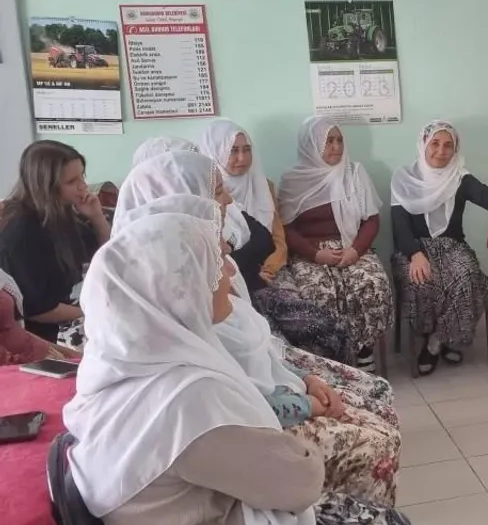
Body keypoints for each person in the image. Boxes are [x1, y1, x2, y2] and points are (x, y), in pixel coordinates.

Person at [62, 213, 447, 525]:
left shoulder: (131, 362)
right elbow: (298, 483)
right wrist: (290, 439)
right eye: (214, 266)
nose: (230, 271)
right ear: (178, 289)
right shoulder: (184, 399)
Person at [115, 194, 400, 506]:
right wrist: (306, 404)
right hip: (269, 439)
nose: (231, 271)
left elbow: (264, 355)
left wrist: (306, 379)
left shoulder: (192, 327)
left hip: (277, 406)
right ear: (182, 281)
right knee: (376, 441)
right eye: (217, 262)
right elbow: (291, 475)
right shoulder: (187, 378)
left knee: (374, 406)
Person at [114, 153, 400, 431]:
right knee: (319, 300)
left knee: (341, 324)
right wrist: (307, 401)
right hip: (262, 415)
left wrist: (305, 379)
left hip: (264, 318)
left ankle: (358, 357)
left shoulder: (213, 245)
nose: (228, 199)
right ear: (180, 197)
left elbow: (268, 241)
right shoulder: (179, 294)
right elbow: (233, 397)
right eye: (217, 191)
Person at [197, 120, 356, 364]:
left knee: (311, 316)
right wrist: (249, 273)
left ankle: (328, 371)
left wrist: (270, 267)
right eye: (233, 151)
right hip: (235, 283)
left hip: (271, 270)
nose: (242, 158)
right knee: (275, 338)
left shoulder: (263, 185)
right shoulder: (205, 197)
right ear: (214, 152)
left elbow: (278, 239)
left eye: (246, 149)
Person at [390, 120, 488, 375]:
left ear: (455, 150)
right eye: (435, 143)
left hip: (452, 246)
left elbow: (487, 196)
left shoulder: (459, 177)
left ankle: (438, 341)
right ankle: (432, 337)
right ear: (423, 145)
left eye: (448, 145)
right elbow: (399, 225)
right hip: (414, 248)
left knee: (470, 278)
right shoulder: (405, 179)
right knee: (420, 281)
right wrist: (415, 255)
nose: (441, 151)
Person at [276, 117, 392, 373]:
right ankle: (333, 358)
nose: (336, 147)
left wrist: (355, 251)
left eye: (339, 140)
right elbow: (286, 228)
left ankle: (364, 351)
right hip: (311, 253)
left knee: (371, 284)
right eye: (328, 141)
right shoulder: (293, 180)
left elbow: (371, 219)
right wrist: (316, 254)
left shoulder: (354, 173)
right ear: (311, 144)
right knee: (319, 292)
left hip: (352, 246)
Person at [0, 141, 109, 349]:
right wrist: (92, 311)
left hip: (73, 312)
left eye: (82, 176)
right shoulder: (22, 232)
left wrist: (97, 218)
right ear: (46, 186)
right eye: (72, 181)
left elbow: (107, 259)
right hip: (46, 335)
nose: (83, 187)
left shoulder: (63, 214)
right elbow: (38, 310)